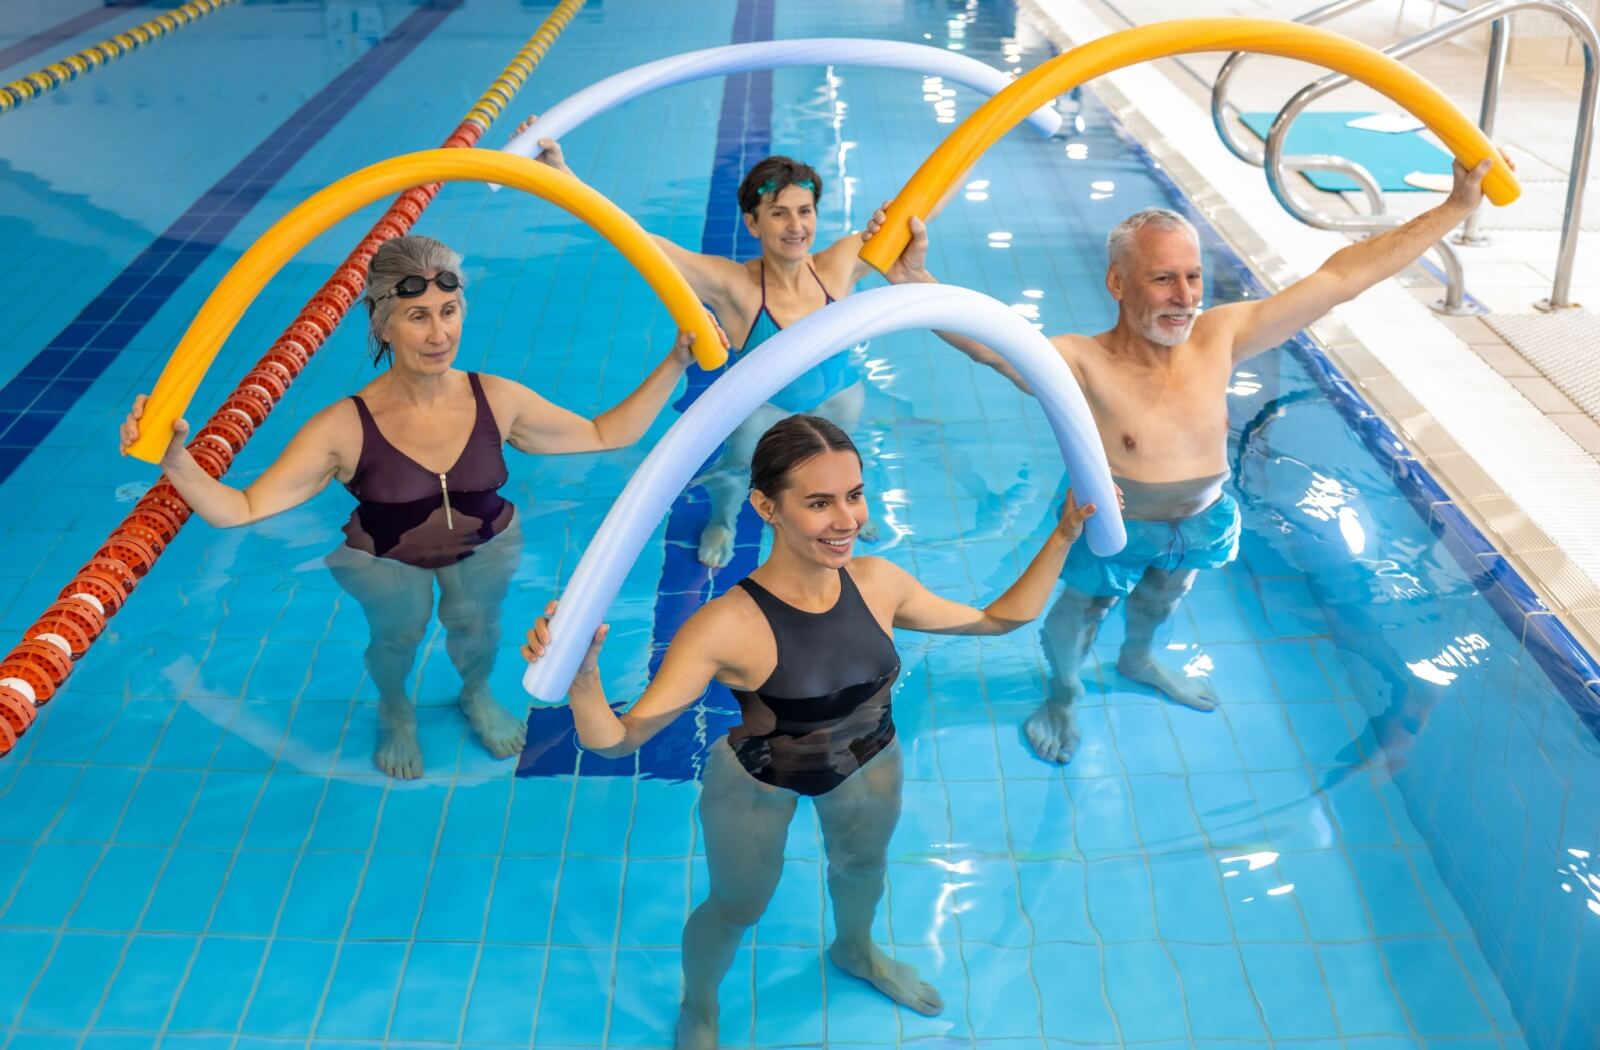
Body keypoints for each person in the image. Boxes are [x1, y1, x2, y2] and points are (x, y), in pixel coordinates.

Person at [872, 156, 1504, 763]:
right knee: (1077, 614)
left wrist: (1455, 207)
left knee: (1164, 596)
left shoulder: (1220, 338)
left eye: (1193, 276)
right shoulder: (1080, 361)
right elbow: (991, 345)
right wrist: (917, 286)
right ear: (1118, 283)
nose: (1184, 297)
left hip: (1200, 521)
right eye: (1162, 278)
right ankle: (1063, 695)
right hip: (1111, 523)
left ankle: (1138, 658)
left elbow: (1340, 279)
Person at [522, 414, 1095, 1049]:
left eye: (853, 495)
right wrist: (582, 680)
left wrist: (1066, 533)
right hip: (760, 776)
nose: (846, 519)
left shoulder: (878, 583)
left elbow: (997, 619)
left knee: (863, 867)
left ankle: (855, 949)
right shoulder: (725, 626)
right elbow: (619, 740)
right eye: (819, 503)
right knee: (738, 905)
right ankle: (700, 1006)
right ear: (766, 506)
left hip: (871, 756)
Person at [120, 235, 720, 779]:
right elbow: (241, 507)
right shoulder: (343, 427)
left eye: (448, 313)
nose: (439, 335)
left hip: (486, 540)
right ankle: (395, 708)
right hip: (386, 555)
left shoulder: (497, 397)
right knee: (398, 638)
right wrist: (176, 460)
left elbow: (601, 433)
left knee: (476, 629)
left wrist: (674, 363)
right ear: (383, 325)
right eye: (417, 317)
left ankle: (476, 692)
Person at [518, 115, 1026, 567]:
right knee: (739, 472)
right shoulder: (733, 286)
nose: (795, 226)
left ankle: (846, 510)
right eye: (779, 213)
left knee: (842, 462)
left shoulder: (841, 263)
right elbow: (633, 238)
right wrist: (562, 177)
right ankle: (723, 519)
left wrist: (981, 137)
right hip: (766, 411)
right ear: (753, 223)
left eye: (805, 212)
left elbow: (926, 204)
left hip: (840, 395)